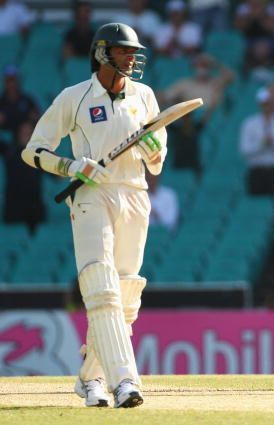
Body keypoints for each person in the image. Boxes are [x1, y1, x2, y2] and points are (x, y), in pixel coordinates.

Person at [21, 23, 167, 407]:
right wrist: (71, 167)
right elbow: (33, 149)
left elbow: (156, 165)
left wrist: (153, 150)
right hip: (91, 195)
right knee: (101, 289)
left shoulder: (145, 96)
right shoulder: (76, 97)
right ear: (102, 53)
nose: (131, 58)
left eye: (134, 52)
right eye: (123, 51)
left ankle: (90, 379)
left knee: (126, 297)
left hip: (134, 194)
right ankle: (125, 383)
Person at [0, 120, 45, 234]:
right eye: (23, 131)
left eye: (29, 132)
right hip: (13, 207)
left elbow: (58, 175)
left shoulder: (40, 154)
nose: (26, 135)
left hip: (34, 209)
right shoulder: (9, 150)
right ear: (17, 133)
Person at [239, 87, 274, 195]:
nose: (266, 106)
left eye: (268, 103)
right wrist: (261, 145)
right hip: (256, 172)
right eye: (264, 103)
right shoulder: (249, 123)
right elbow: (244, 150)